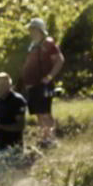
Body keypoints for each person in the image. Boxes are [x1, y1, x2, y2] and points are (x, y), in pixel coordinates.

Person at [19, 18, 66, 148]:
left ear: (40, 30)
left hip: (43, 84)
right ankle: (44, 139)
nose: (30, 32)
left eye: (33, 29)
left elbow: (60, 60)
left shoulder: (48, 43)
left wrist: (49, 77)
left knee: (45, 112)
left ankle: (51, 139)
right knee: (38, 113)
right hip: (32, 85)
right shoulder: (32, 45)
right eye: (30, 29)